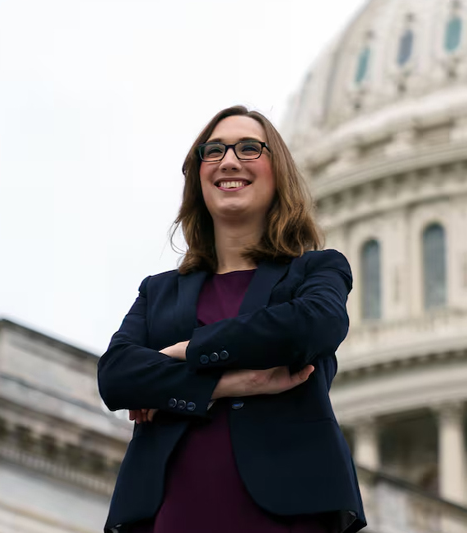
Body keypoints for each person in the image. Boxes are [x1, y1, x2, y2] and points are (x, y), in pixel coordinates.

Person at [97, 105, 367, 533]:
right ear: (198, 177)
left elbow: (313, 325)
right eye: (213, 150)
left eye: (248, 148)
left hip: (287, 513)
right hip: (172, 510)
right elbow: (115, 376)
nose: (228, 161)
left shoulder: (316, 270)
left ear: (277, 171)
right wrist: (233, 382)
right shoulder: (159, 290)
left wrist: (187, 353)